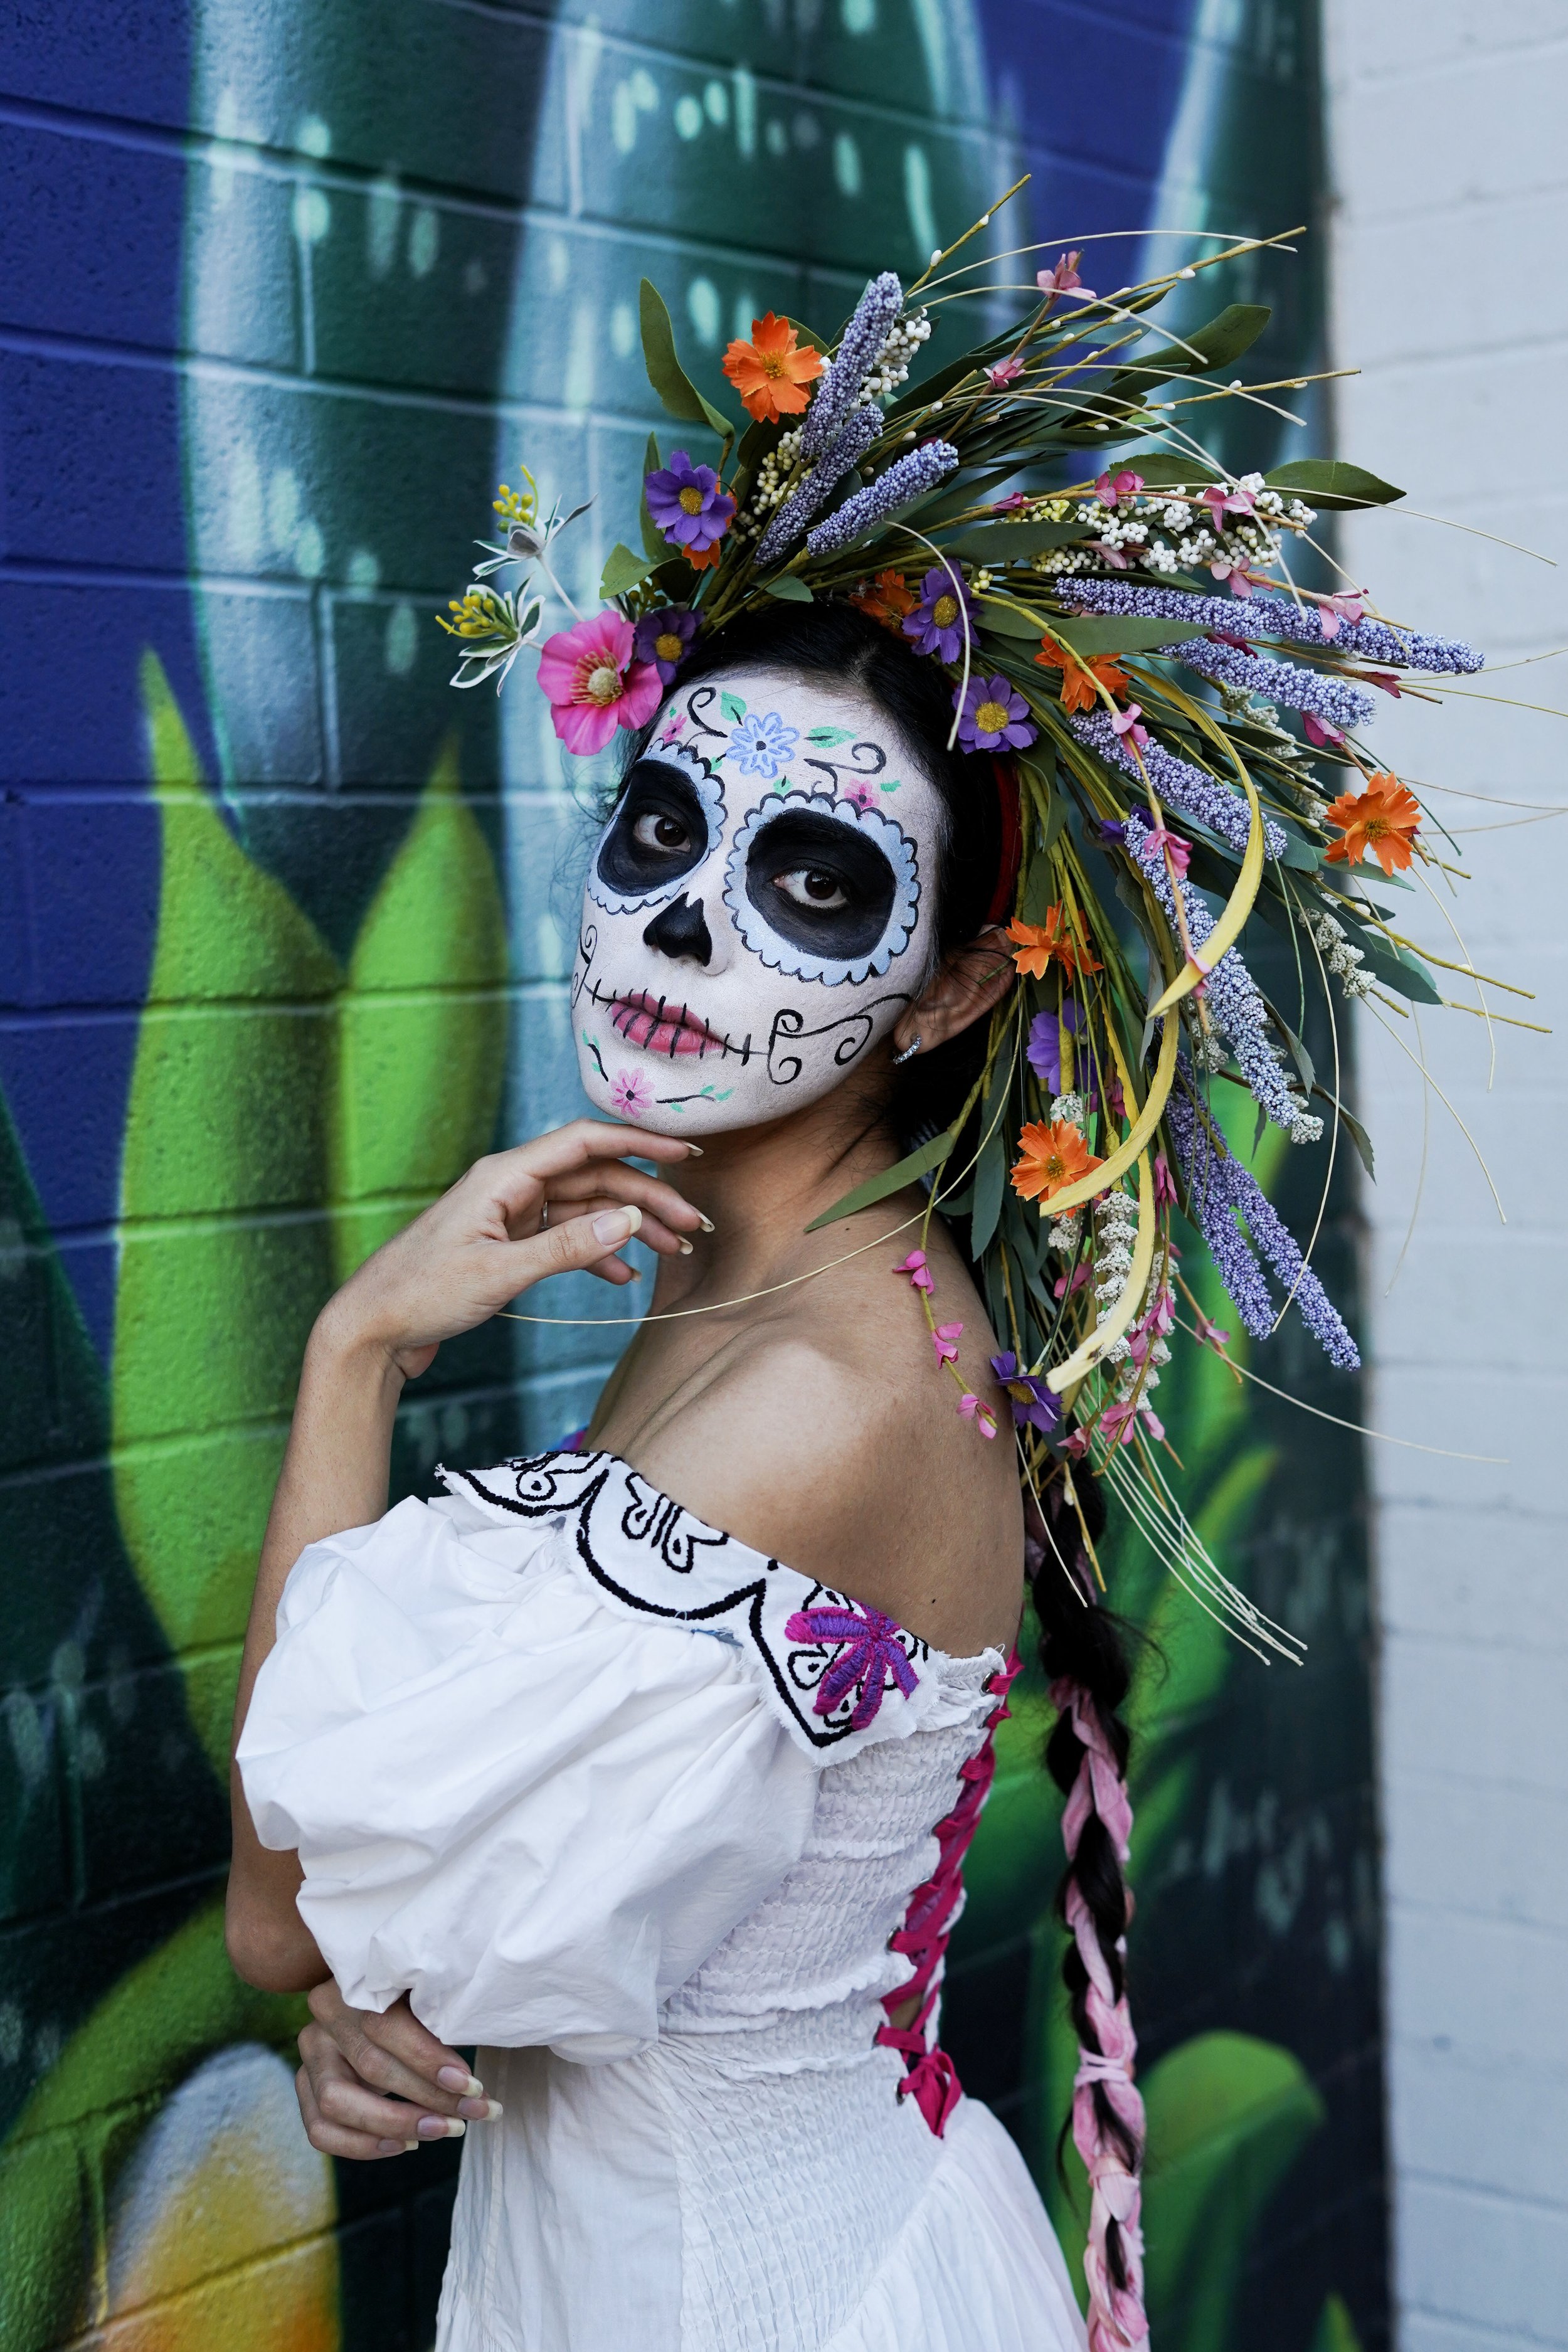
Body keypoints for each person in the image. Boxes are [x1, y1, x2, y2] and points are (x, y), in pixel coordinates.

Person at [227, 605, 1132, 2351]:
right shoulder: (761, 1275)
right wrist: (382, 1989)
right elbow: (478, 1897)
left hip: (749, 2296)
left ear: (948, 988)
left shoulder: (809, 1400)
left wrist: (357, 1352)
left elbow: (279, 1910)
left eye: (812, 883)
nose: (681, 921)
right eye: (660, 827)